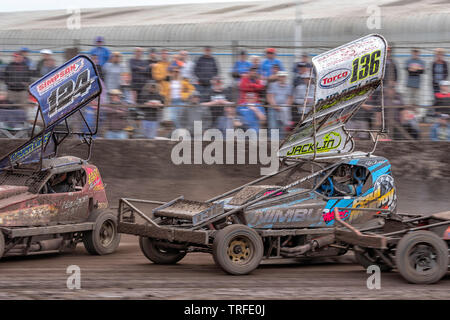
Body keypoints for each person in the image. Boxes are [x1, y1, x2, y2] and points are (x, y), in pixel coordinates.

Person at [266, 71, 293, 139]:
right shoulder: (272, 85)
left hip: (284, 109)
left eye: (283, 76)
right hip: (273, 108)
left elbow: (290, 97)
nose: (282, 78)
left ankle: (280, 142)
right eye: (281, 76)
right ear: (278, 77)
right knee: (273, 126)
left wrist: (285, 106)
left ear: (286, 77)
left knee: (282, 126)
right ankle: (272, 142)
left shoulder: (289, 86)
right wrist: (275, 106)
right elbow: (270, 96)